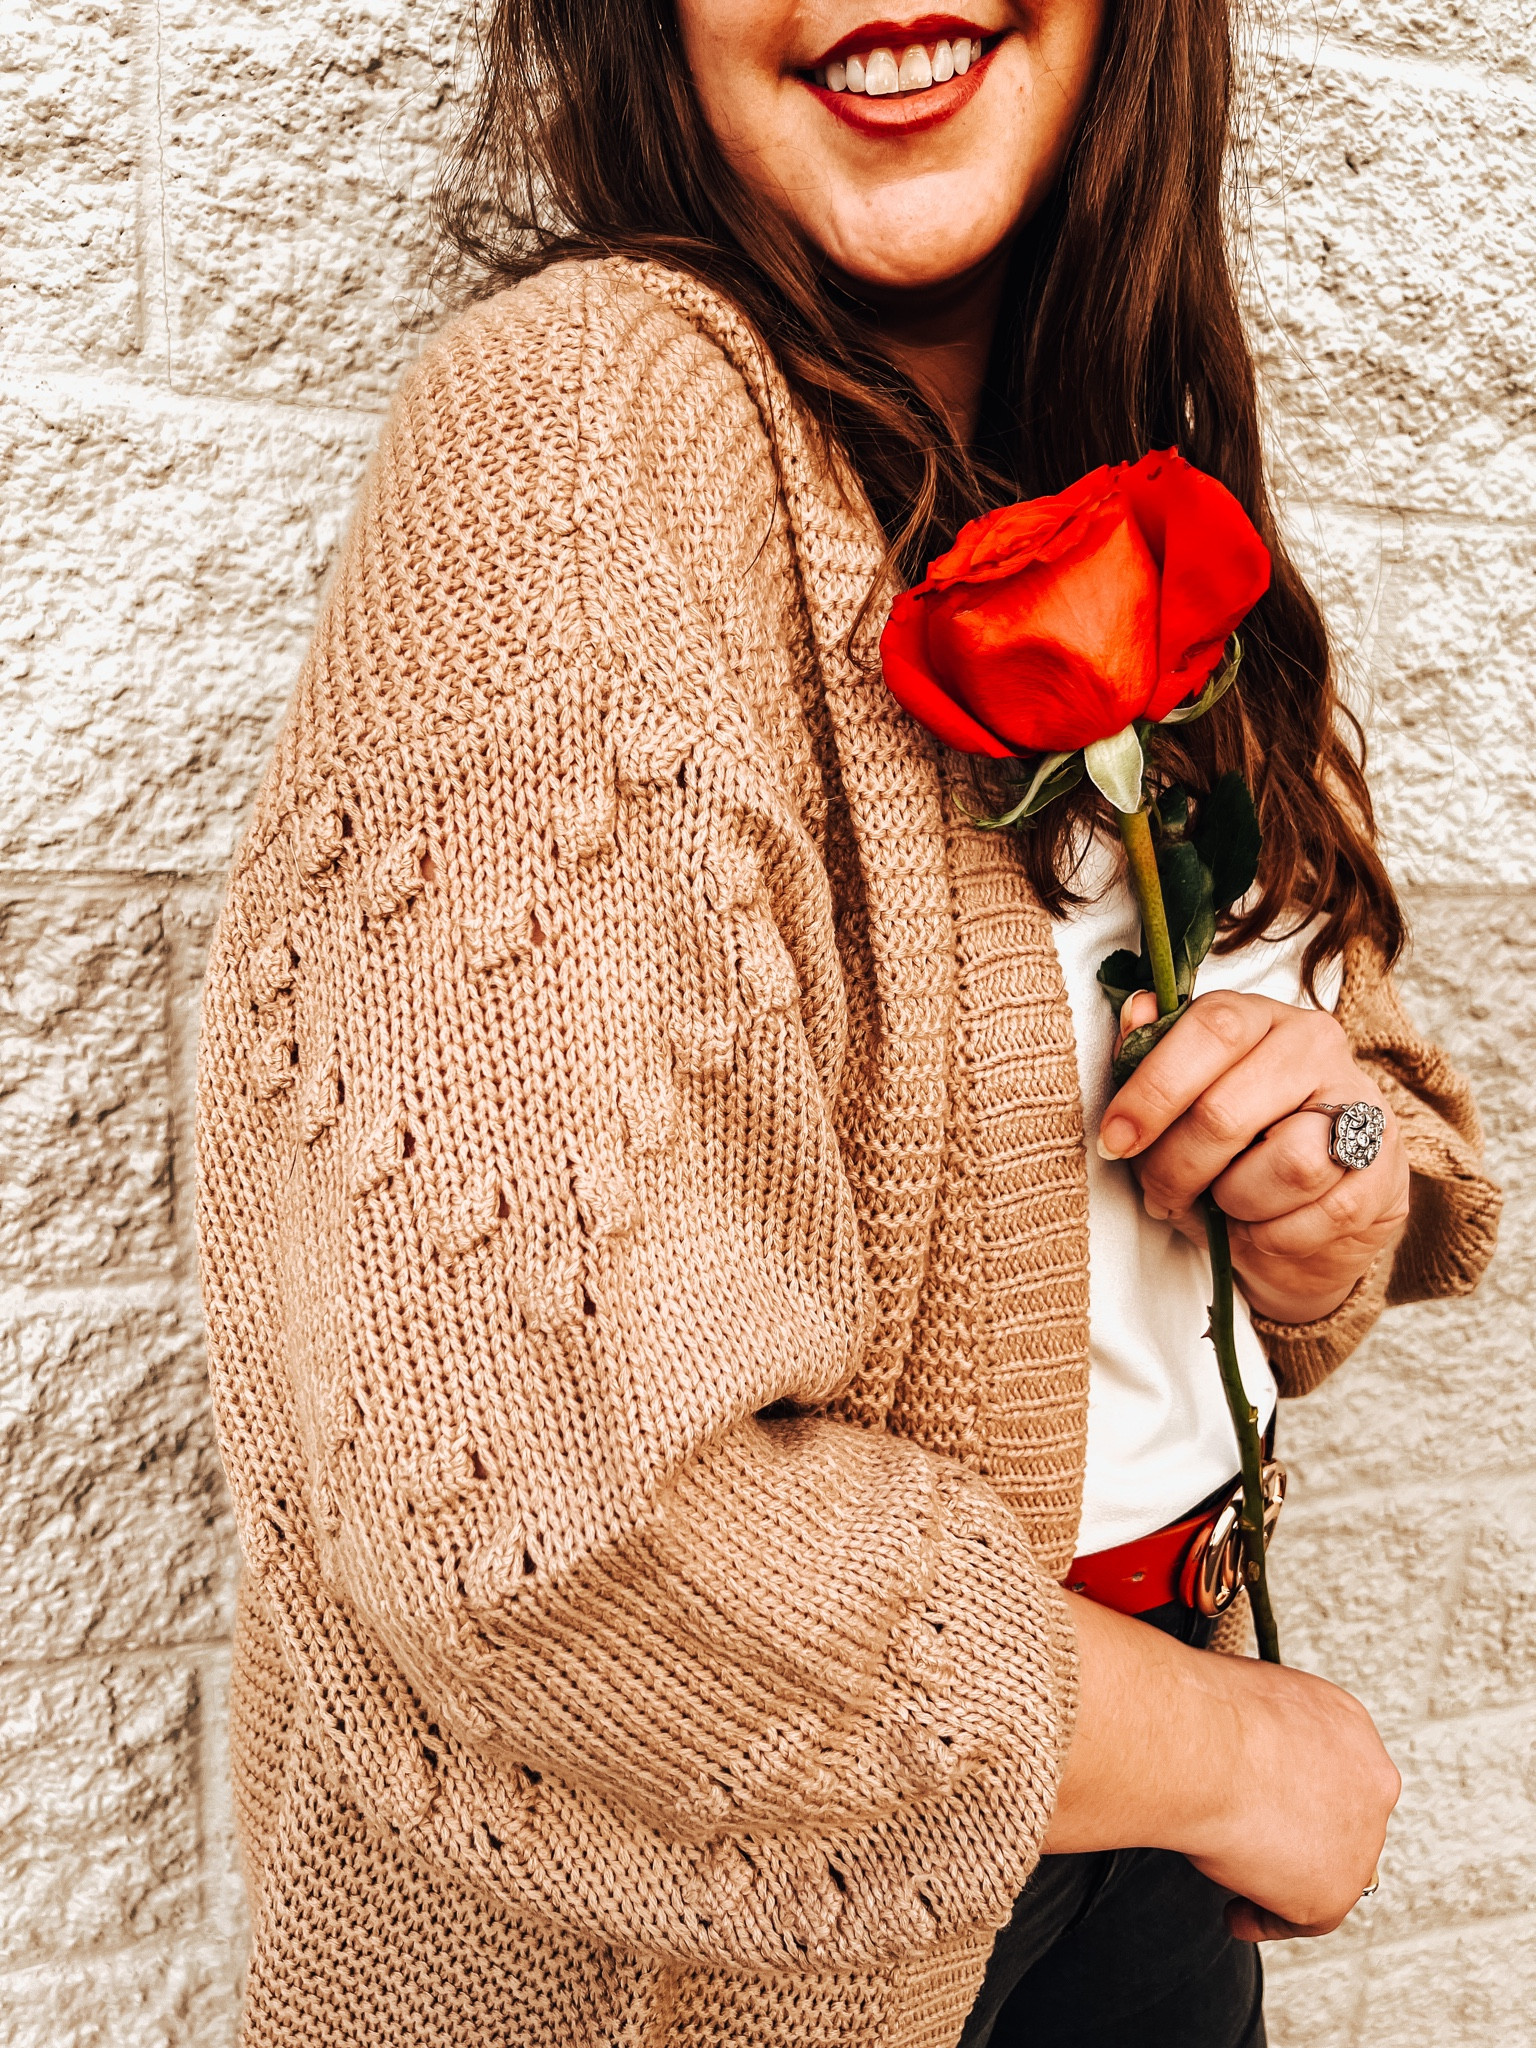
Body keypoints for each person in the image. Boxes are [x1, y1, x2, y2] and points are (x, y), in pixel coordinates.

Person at [195, 3, 1501, 2044]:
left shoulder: (1138, 484)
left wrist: (1330, 1196)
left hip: (1137, 1853)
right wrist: (1239, 1758)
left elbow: (1360, 1089)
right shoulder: (590, 437)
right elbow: (525, 1503)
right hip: (721, 1929)